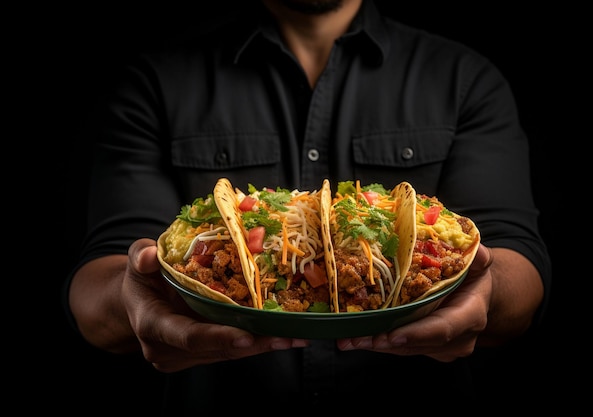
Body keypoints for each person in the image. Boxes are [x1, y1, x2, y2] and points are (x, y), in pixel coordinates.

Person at [63, 0, 551, 411]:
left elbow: (518, 267)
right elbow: (98, 283)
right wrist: (132, 299)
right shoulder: (158, 80)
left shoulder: (463, 78)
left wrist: (485, 294)